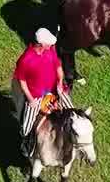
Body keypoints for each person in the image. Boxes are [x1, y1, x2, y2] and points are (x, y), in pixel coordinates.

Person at [11, 28, 70, 158]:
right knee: (26, 127)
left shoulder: (50, 50)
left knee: (70, 109)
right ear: (41, 44)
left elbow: (58, 66)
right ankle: (27, 145)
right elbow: (22, 80)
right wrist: (31, 99)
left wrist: (60, 81)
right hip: (36, 96)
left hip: (54, 89)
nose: (52, 45)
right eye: (49, 42)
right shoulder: (26, 59)